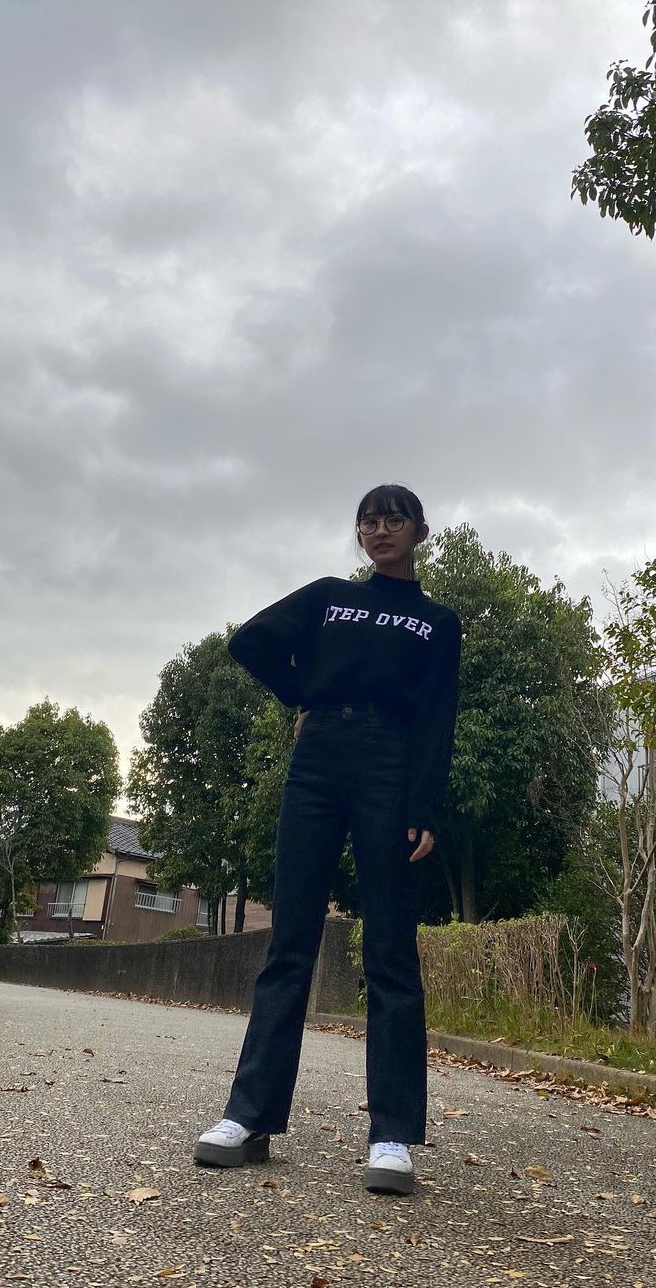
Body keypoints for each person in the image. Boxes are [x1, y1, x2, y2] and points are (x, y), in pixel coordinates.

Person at [193, 483, 462, 1195]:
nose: (381, 530)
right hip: (316, 765)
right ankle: (248, 1117)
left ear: (419, 531)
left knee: (390, 951)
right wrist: (304, 694)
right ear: (359, 533)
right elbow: (248, 642)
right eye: (369, 521)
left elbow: (438, 716)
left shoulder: (437, 621)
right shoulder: (330, 596)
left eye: (395, 519)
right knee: (290, 942)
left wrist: (425, 807)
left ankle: (392, 1135)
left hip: (391, 767)